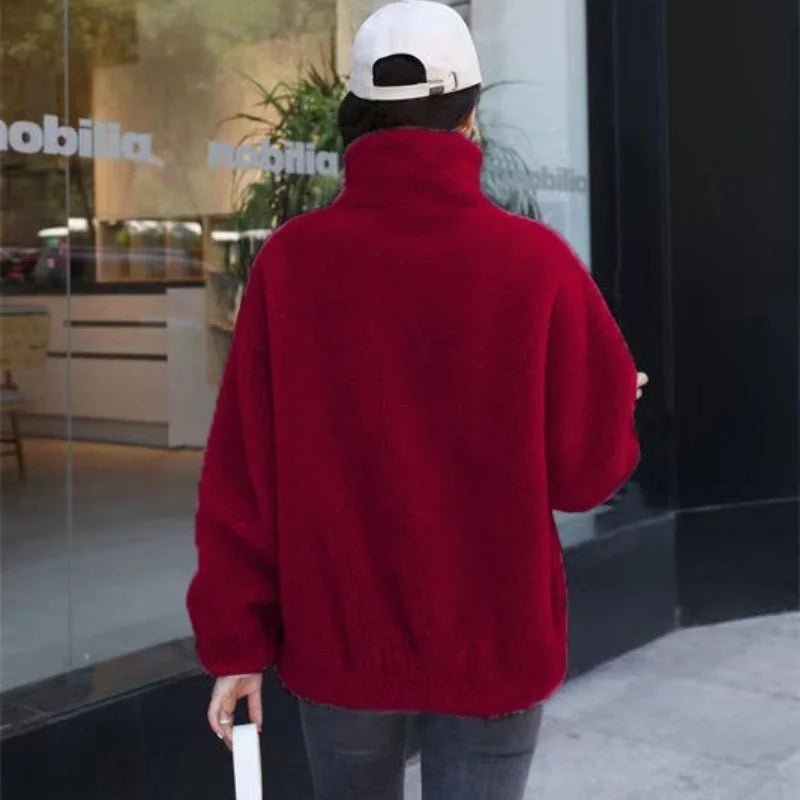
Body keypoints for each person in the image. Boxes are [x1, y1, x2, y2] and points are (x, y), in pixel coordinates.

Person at [187, 1, 645, 797]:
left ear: (356, 119)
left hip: (341, 636)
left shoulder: (291, 265)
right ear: (470, 117)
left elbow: (242, 475)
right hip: (494, 637)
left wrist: (236, 644)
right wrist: (611, 402)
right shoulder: (534, 263)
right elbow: (584, 476)